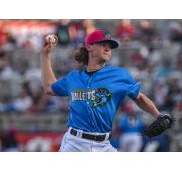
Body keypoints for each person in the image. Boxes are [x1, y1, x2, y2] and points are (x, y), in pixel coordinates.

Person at [40, 29, 172, 152]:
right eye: (103, 44)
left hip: (103, 145)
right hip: (74, 144)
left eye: (110, 46)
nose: (108, 48)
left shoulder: (120, 75)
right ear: (89, 46)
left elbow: (139, 97)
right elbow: (49, 87)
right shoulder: (74, 77)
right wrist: (45, 55)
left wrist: (158, 115)